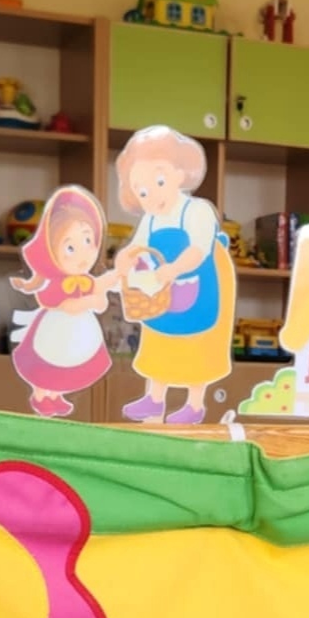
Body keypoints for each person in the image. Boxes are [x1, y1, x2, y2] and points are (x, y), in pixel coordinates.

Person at [112, 125, 237, 426]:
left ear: (180, 174)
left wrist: (174, 269)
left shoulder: (197, 210)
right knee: (159, 337)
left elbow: (199, 248)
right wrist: (125, 260)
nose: (152, 194)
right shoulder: (150, 220)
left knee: (196, 340)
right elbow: (137, 247)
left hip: (201, 281)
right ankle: (154, 397)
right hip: (162, 289)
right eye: (142, 191)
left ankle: (195, 403)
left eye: (159, 181)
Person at [9, 185, 117, 417]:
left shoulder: (86, 281)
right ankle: (41, 395)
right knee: (48, 363)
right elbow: (69, 306)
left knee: (70, 362)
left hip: (79, 336)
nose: (83, 254)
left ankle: (56, 395)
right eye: (70, 247)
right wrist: (92, 300)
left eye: (88, 241)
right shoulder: (56, 284)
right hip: (54, 332)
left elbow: (101, 299)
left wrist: (113, 281)